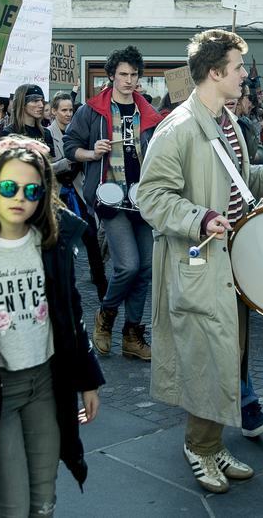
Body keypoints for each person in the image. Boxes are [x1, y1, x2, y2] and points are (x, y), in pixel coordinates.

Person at [137, 29, 263, 493]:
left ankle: (214, 444)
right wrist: (198, 218)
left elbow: (236, 178)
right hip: (198, 261)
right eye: (239, 67)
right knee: (207, 358)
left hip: (230, 263)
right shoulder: (179, 127)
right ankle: (199, 448)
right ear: (214, 72)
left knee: (230, 355)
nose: (245, 75)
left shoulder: (224, 118)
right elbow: (151, 197)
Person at [0, 136, 104, 516]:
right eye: (8, 187)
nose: (20, 198)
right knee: (10, 507)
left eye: (32, 190)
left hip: (46, 383)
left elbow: (70, 313)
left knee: (44, 500)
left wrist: (88, 377)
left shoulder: (50, 242)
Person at [63, 45, 164, 361]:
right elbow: (70, 146)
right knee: (128, 265)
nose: (129, 80)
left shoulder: (147, 112)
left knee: (146, 268)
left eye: (134, 75)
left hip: (142, 198)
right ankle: (105, 316)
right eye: (123, 74)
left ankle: (132, 333)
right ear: (111, 76)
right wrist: (92, 153)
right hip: (108, 197)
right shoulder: (91, 111)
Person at [48, 91, 109, 299]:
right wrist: (67, 161)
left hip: (78, 192)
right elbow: (45, 168)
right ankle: (63, 289)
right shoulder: (49, 134)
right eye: (63, 110)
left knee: (91, 237)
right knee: (61, 243)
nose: (68, 114)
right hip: (58, 194)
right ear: (54, 111)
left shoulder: (81, 131)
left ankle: (102, 288)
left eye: (70, 110)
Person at [7, 83, 54, 150]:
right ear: (22, 103)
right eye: (35, 101)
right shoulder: (9, 133)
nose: (41, 105)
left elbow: (51, 159)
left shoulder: (46, 133)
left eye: (41, 100)